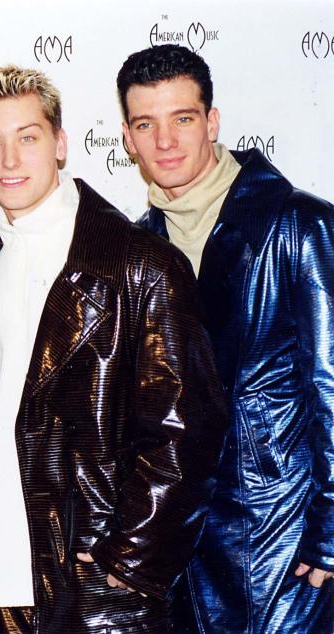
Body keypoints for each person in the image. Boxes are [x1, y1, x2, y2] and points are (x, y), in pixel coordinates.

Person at [0, 64, 228, 633]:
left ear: (59, 144)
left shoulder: (141, 264)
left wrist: (130, 560)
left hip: (101, 596)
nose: (10, 161)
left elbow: (189, 430)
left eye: (27, 138)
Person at [117, 43, 334, 633]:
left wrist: (331, 530)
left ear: (212, 123)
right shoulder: (138, 252)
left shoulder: (298, 224)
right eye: (146, 124)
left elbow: (331, 386)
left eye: (182, 119)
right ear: (128, 138)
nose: (165, 142)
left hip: (283, 542)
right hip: (184, 556)